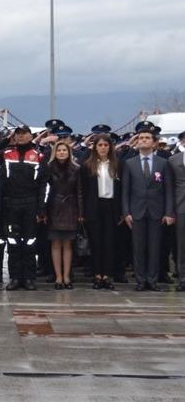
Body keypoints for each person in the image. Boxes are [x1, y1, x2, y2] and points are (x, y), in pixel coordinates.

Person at [122, 122, 176, 291]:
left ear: (154, 143)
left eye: (147, 138)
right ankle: (140, 280)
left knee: (154, 247)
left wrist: (168, 212)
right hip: (136, 211)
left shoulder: (162, 163)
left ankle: (152, 280)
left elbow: (168, 189)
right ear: (137, 142)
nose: (143, 141)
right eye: (141, 138)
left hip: (156, 211)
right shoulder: (130, 163)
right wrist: (126, 212)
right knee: (138, 248)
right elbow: (125, 190)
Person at [0, 125, 47, 291]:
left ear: (30, 136)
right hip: (10, 204)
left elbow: (43, 185)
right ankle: (14, 278)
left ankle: (29, 278)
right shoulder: (5, 153)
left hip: (30, 204)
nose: (20, 137)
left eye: (23, 134)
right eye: (17, 134)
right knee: (12, 242)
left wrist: (41, 209)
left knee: (30, 242)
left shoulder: (39, 156)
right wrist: (6, 139)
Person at [82, 134, 121, 290]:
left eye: (106, 145)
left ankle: (107, 276)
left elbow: (121, 188)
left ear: (110, 147)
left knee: (109, 243)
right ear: (95, 147)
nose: (103, 148)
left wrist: (120, 211)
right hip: (94, 206)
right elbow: (83, 190)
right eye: (100, 145)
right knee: (96, 242)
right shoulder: (88, 165)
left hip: (111, 206)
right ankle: (97, 275)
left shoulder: (117, 164)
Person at [45, 141, 84, 290]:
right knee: (55, 243)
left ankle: (67, 276)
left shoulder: (76, 168)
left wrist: (81, 211)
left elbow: (80, 191)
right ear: (55, 152)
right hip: (54, 207)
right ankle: (58, 277)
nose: (62, 152)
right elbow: (45, 190)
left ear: (69, 152)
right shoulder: (48, 167)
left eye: (64, 150)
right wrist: (43, 210)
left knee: (68, 244)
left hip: (70, 207)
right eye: (59, 150)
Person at [170, 143, 185, 291]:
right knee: (181, 245)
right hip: (181, 206)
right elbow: (168, 186)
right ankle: (183, 279)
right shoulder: (174, 160)